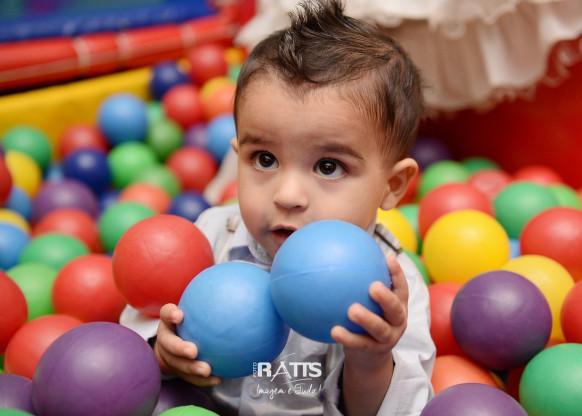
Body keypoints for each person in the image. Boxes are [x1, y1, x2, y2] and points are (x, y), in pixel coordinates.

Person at [120, 1, 435, 414]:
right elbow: (137, 333)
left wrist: (372, 359)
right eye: (264, 159)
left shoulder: (390, 290)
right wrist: (162, 353)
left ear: (391, 187)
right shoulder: (209, 237)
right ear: (238, 157)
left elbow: (395, 409)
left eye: (328, 166)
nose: (287, 195)